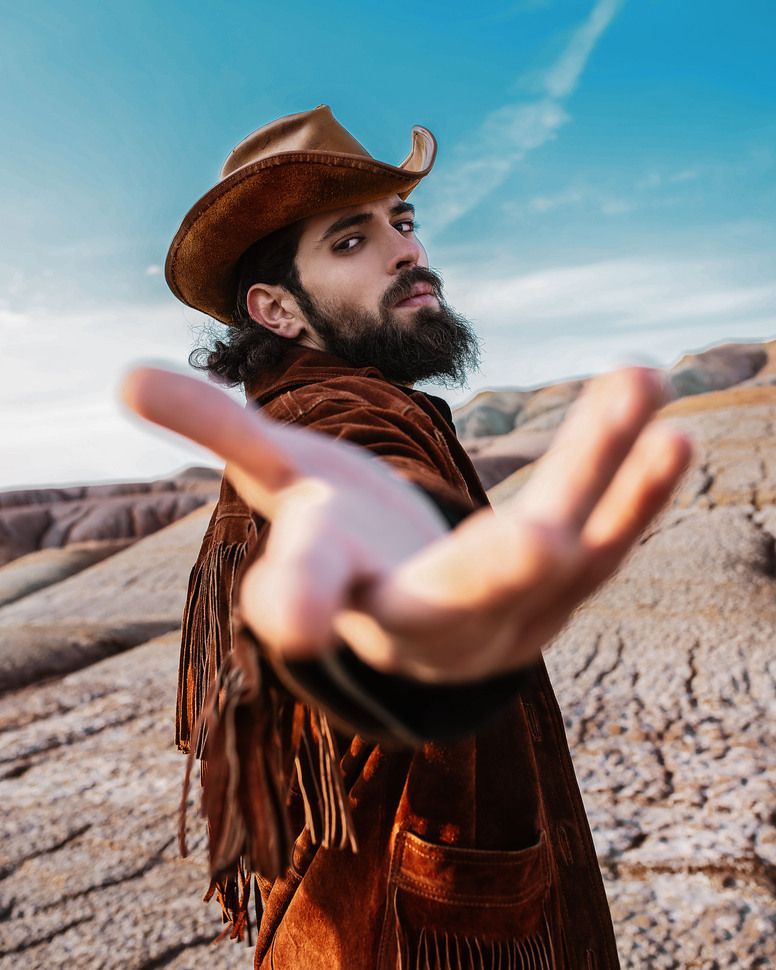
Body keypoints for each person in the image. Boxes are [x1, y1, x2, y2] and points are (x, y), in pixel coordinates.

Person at [122, 105, 691, 969]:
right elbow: (374, 507)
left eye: (404, 223)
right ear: (276, 308)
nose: (408, 251)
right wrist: (412, 599)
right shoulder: (332, 419)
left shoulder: (319, 412)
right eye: (351, 241)